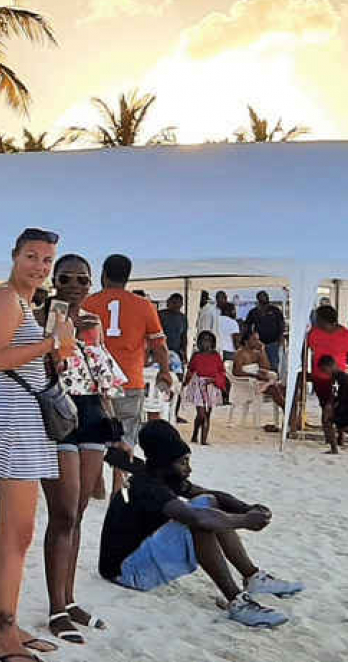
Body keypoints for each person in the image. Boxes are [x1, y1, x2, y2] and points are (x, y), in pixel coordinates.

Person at [0, 228, 74, 661]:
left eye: (47, 260)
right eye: (32, 256)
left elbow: (25, 356)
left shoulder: (23, 303)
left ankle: (7, 623)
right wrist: (53, 342)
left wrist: (57, 347)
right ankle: (4, 632)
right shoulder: (2, 298)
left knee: (20, 531)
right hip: (14, 418)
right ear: (14, 256)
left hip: (27, 419)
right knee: (15, 532)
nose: (40, 266)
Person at [98, 420, 302, 628]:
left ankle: (252, 576)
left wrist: (247, 508)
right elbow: (197, 518)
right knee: (200, 522)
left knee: (208, 504)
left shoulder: (158, 472)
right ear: (166, 462)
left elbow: (210, 495)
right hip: (126, 573)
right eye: (183, 462)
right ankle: (236, 601)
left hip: (133, 561)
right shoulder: (148, 486)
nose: (189, 469)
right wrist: (245, 521)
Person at [39, 254, 126, 644]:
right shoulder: (43, 318)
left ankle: (69, 599)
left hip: (92, 414)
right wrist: (56, 330)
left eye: (81, 279)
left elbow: (101, 373)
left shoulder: (94, 323)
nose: (74, 285)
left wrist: (115, 427)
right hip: (58, 416)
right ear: (55, 280)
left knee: (78, 512)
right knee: (62, 513)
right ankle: (56, 607)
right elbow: (41, 366)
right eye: (67, 278)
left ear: (91, 284)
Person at [84, 254, 172, 494]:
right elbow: (159, 346)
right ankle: (116, 484)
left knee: (94, 432)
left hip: (94, 380)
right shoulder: (144, 306)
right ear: (128, 276)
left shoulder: (89, 303)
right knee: (126, 433)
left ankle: (96, 483)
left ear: (103, 274)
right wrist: (165, 371)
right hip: (130, 379)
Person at [308, 305, 348, 454]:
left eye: (318, 319)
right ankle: (332, 440)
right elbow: (308, 351)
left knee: (339, 407)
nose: (316, 321)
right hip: (320, 377)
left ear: (326, 320)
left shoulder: (345, 334)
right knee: (325, 406)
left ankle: (339, 437)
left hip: (339, 376)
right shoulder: (314, 333)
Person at [185, 332, 226, 446]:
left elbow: (221, 371)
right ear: (199, 342)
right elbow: (190, 370)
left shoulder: (216, 356)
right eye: (203, 340)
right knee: (201, 413)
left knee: (207, 414)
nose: (205, 343)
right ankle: (196, 435)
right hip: (198, 386)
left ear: (212, 342)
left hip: (211, 386)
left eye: (208, 340)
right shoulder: (196, 355)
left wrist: (214, 380)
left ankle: (202, 438)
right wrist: (185, 382)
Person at [232, 331, 286, 414]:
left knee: (282, 388)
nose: (257, 342)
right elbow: (236, 372)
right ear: (246, 341)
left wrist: (262, 350)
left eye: (258, 339)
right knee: (274, 389)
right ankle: (287, 410)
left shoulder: (256, 353)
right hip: (246, 384)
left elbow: (266, 367)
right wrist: (253, 376)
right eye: (254, 340)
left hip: (257, 381)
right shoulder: (240, 353)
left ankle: (288, 410)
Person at [245, 291, 286, 373]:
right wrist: (250, 339)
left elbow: (281, 324)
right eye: (262, 297)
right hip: (259, 344)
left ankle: (274, 382)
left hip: (273, 342)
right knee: (260, 364)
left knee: (273, 364)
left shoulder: (275, 310)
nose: (264, 298)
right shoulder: (253, 312)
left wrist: (281, 337)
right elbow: (247, 325)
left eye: (265, 296)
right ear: (258, 299)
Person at [316, 356, 348, 447]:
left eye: (324, 370)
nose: (324, 372)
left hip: (344, 409)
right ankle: (336, 443)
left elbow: (338, 395)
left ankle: (334, 448)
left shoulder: (340, 377)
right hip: (343, 407)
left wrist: (331, 406)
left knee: (327, 419)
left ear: (330, 366)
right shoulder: (338, 377)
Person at [158, 294, 188, 364]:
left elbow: (184, 337)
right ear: (168, 302)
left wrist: (184, 355)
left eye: (178, 303)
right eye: (174, 302)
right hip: (160, 352)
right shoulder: (160, 315)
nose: (176, 305)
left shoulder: (183, 318)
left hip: (176, 353)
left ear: (181, 304)